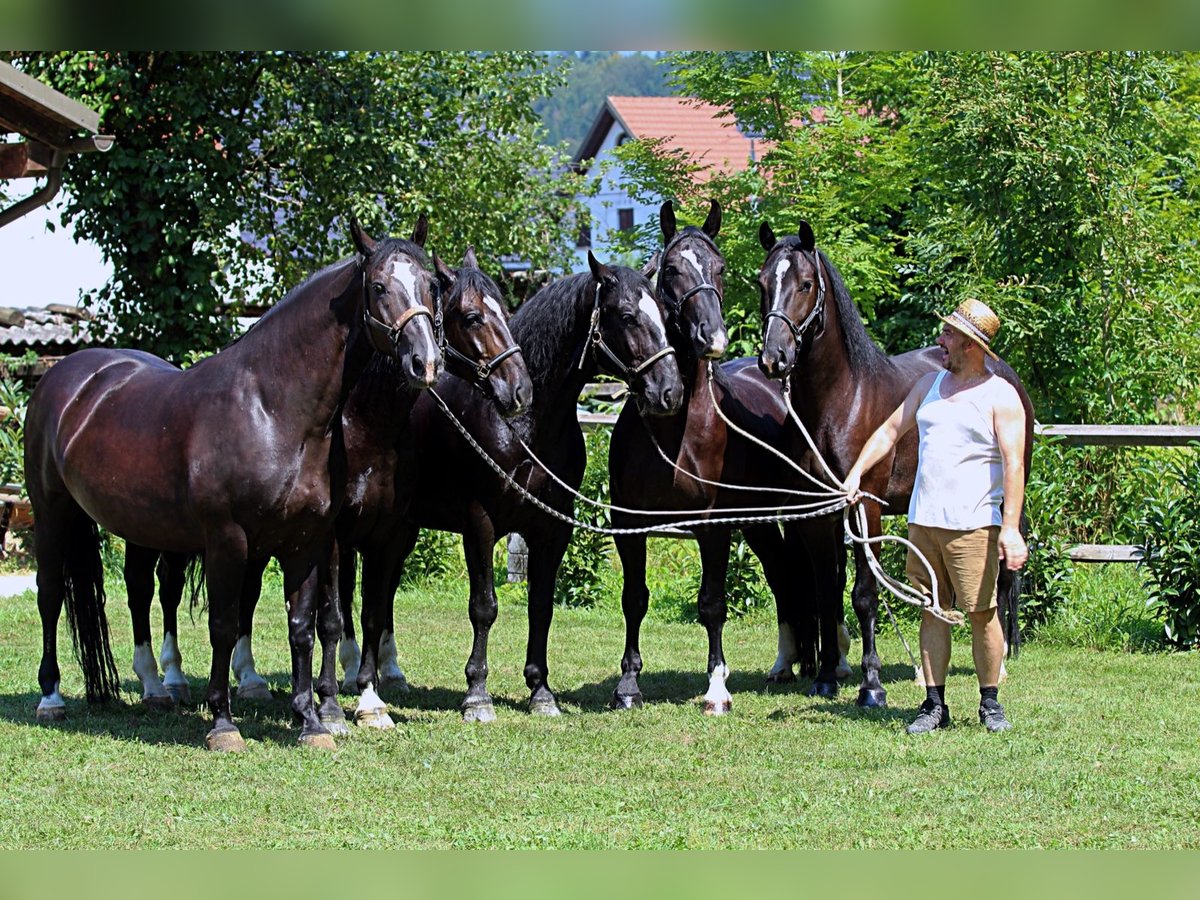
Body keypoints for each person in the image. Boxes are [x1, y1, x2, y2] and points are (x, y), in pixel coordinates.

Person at [842, 298, 1028, 734]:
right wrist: (853, 476)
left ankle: (990, 702)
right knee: (932, 610)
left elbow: (1014, 464)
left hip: (974, 524)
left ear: (970, 344)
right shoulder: (928, 385)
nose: (940, 340)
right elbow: (889, 431)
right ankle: (933, 704)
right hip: (923, 522)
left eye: (948, 335)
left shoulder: (1000, 395)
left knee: (982, 613)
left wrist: (1011, 528)